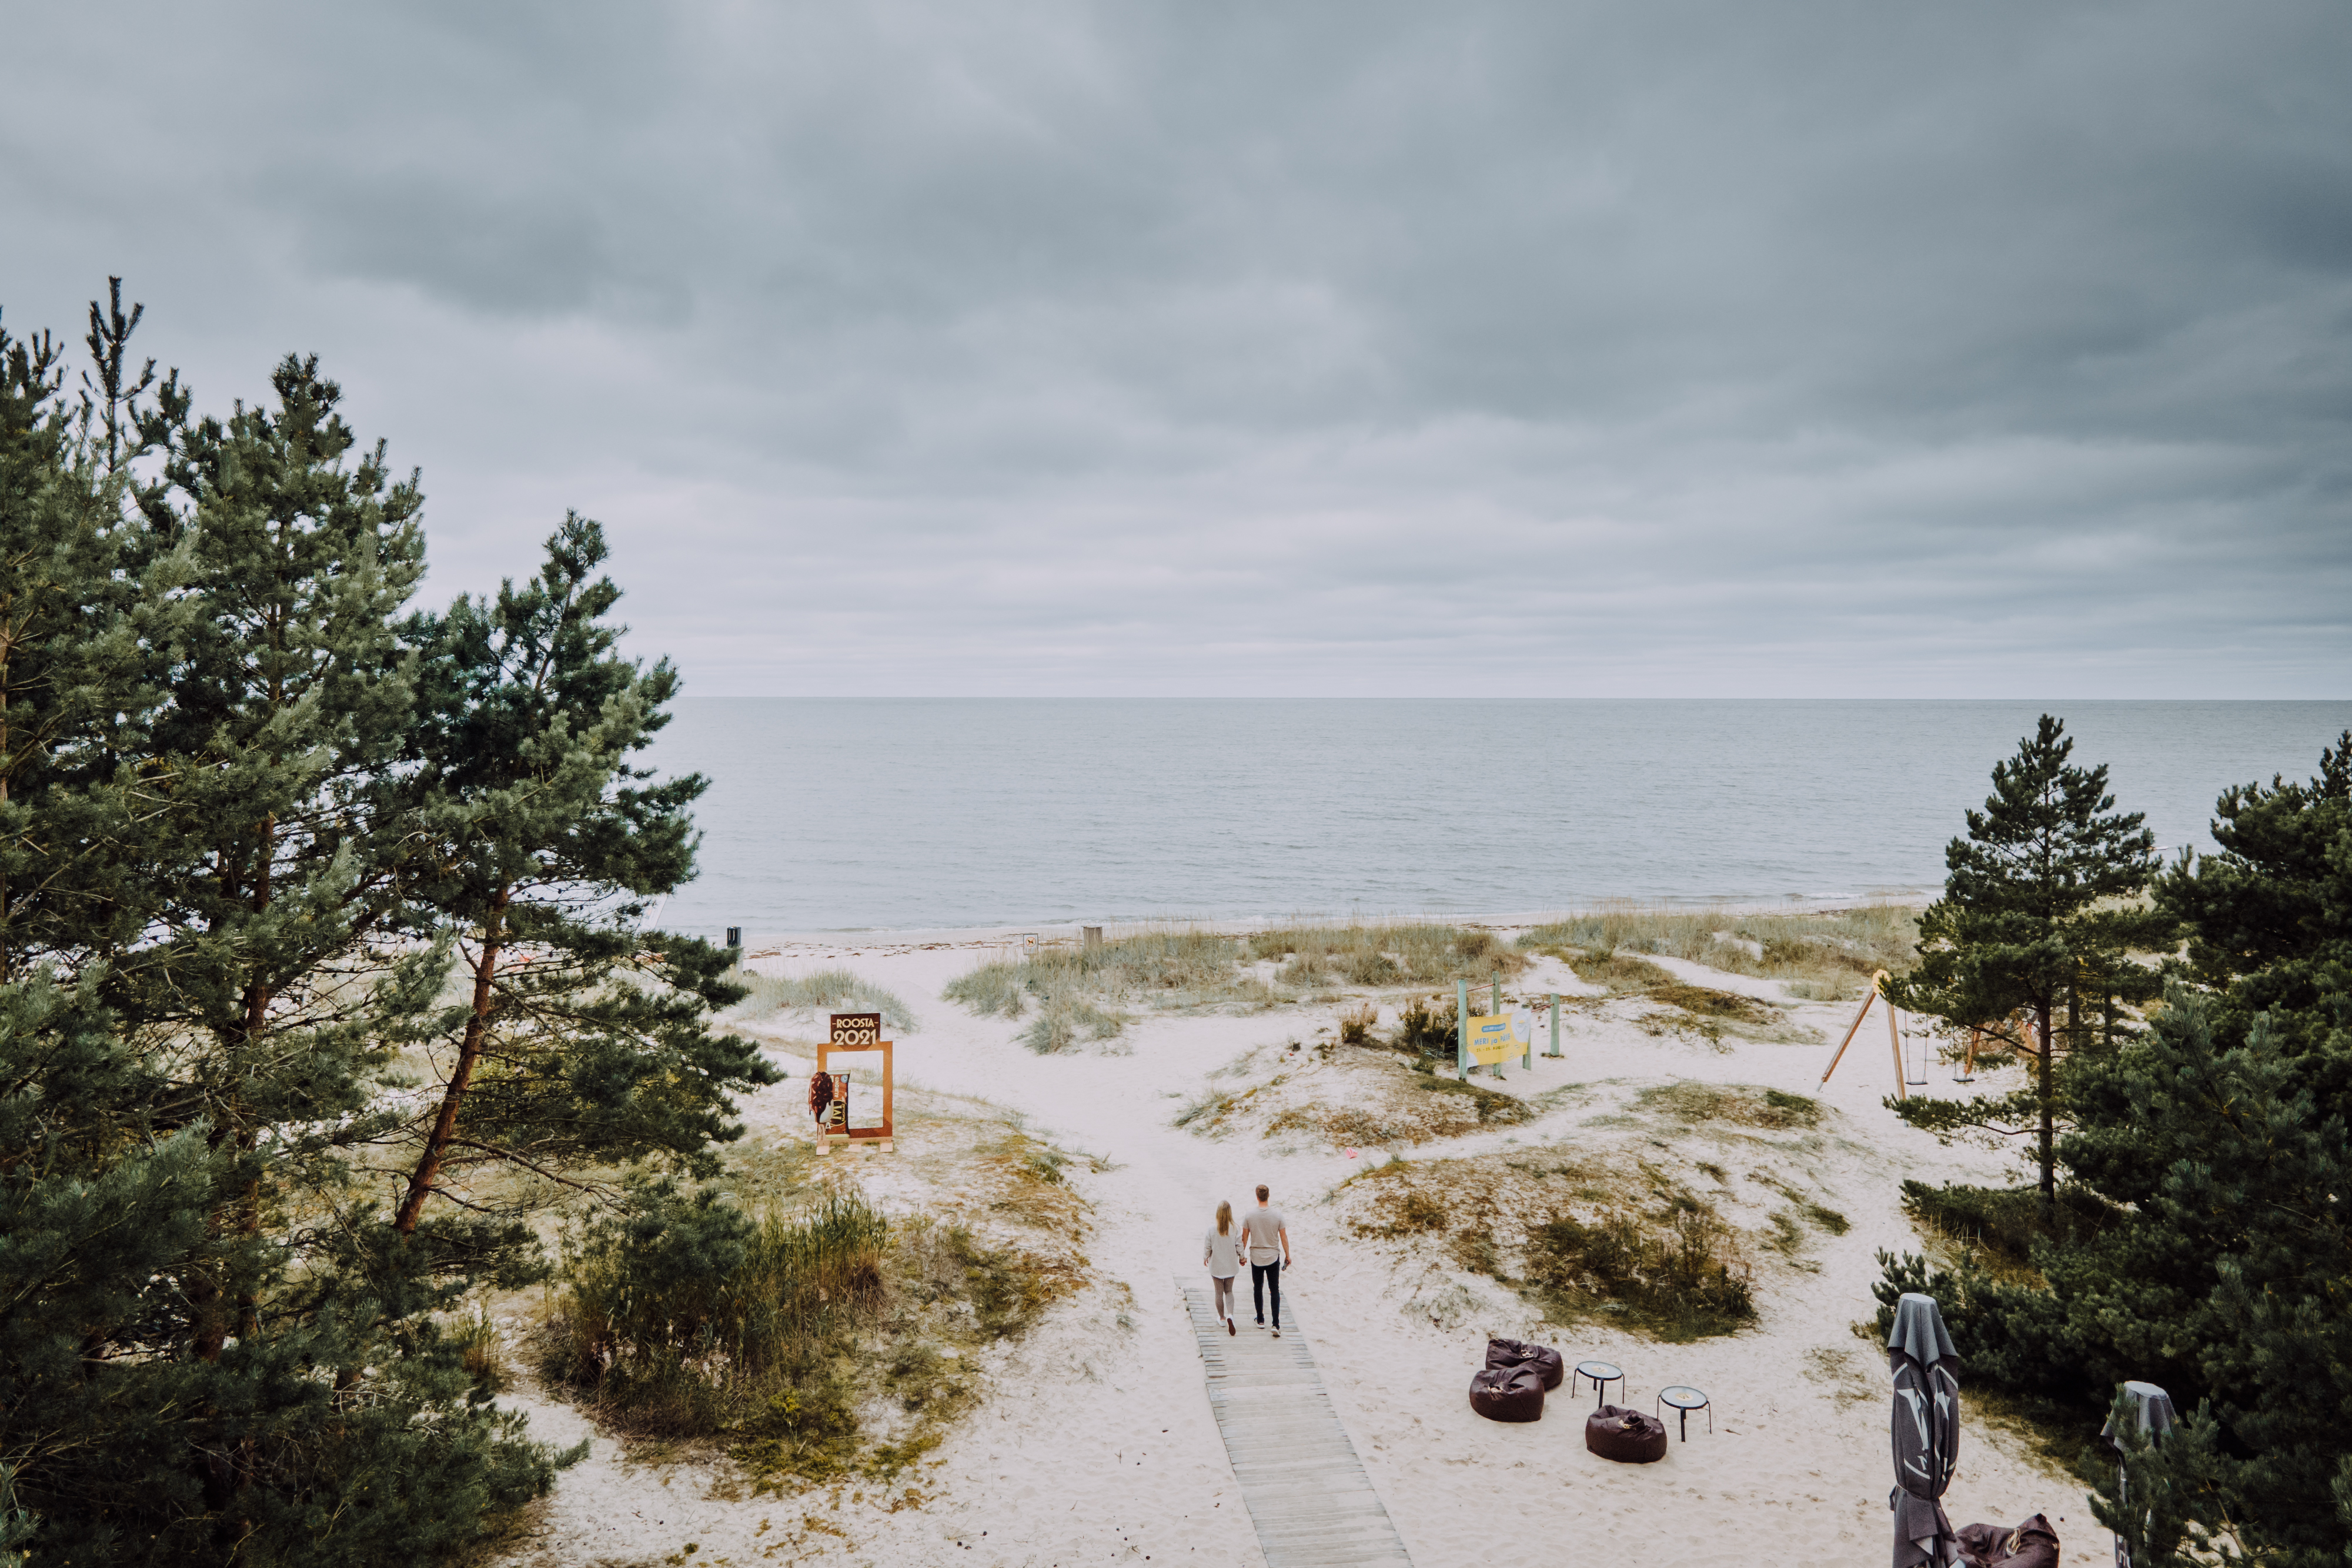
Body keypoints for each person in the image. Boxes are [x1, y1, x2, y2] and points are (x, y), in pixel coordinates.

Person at [1241, 1183, 1291, 1336]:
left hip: (1256, 1257)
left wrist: (1241, 1256)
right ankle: (1275, 1324)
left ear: (1257, 1197)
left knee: (1258, 1287)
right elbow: (1284, 1237)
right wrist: (1288, 1256)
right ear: (1268, 1196)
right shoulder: (1277, 1215)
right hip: (1272, 1257)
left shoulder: (1249, 1215)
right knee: (1274, 1289)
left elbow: (1244, 1238)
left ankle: (1261, 1319)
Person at [1202, 1200, 1241, 1335]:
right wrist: (1242, 1257)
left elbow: (1208, 1247)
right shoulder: (1235, 1228)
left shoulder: (1212, 1229)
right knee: (1229, 1291)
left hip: (1217, 1267)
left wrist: (1205, 1257)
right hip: (1230, 1266)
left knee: (1219, 1292)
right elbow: (1239, 1246)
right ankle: (1231, 1314)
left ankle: (1222, 1318)